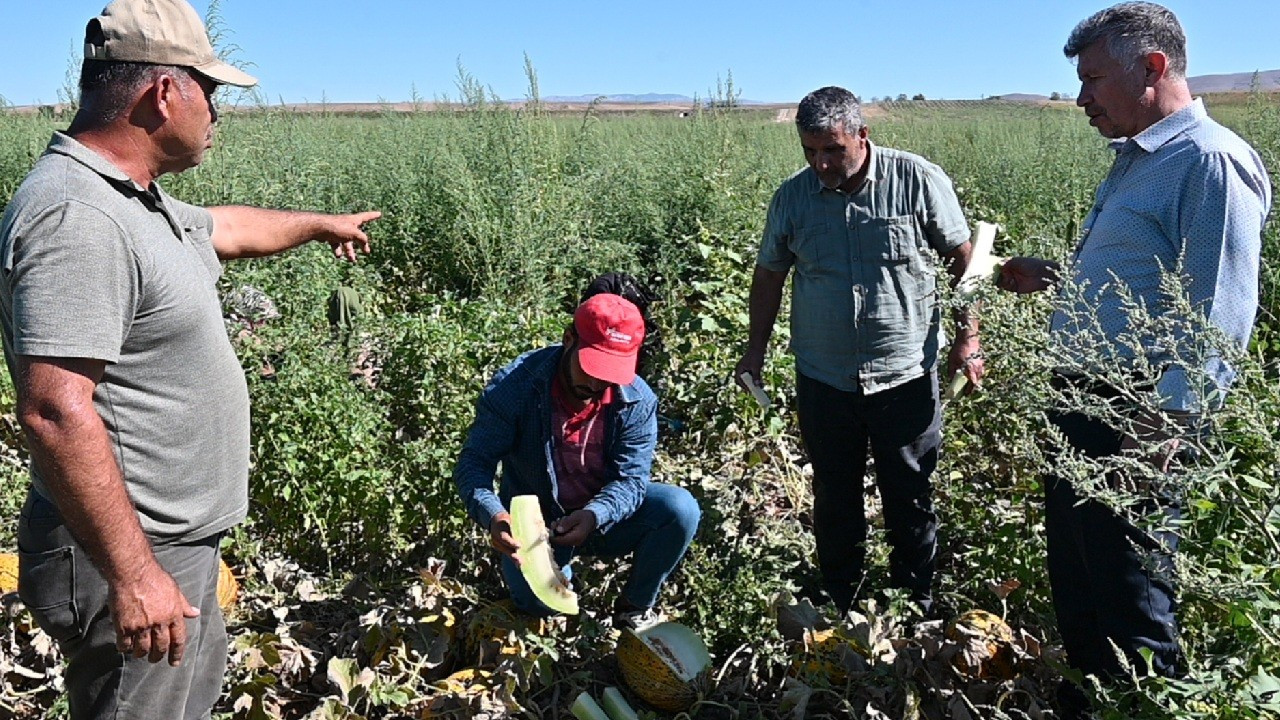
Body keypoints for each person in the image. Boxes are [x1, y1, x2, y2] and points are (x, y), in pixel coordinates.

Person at [0, 1, 380, 718]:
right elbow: (53, 411)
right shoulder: (77, 215)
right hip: (128, 550)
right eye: (211, 92)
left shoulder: (136, 200)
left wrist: (319, 225)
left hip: (168, 543)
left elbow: (227, 227)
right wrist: (136, 572)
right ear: (163, 92)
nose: (218, 113)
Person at [997, 3, 1271, 715]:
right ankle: (1091, 698)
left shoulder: (1207, 161)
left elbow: (1216, 310)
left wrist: (1166, 429)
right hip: (1085, 400)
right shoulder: (1138, 160)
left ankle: (1146, 705)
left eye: (1092, 79)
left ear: (1152, 68)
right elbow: (1144, 284)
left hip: (1139, 411)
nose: (1081, 98)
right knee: (1081, 575)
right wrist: (1055, 276)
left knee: (1133, 591)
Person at [734, 86, 985, 615]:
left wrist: (969, 339)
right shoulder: (793, 198)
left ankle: (915, 605)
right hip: (824, 377)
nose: (821, 163)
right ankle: (843, 602)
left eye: (833, 150)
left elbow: (966, 262)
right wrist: (754, 350)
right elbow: (769, 276)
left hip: (905, 373)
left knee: (910, 495)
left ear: (862, 136)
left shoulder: (916, 179)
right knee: (834, 496)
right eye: (810, 151)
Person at [454, 293, 700, 629]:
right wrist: (493, 515)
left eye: (611, 372)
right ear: (569, 339)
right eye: (592, 367)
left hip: (601, 518)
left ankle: (634, 606)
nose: (599, 383)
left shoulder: (638, 400)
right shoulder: (515, 389)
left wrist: (595, 514)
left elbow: (631, 481)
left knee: (679, 508)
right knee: (538, 603)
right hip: (538, 526)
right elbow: (474, 464)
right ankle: (555, 584)